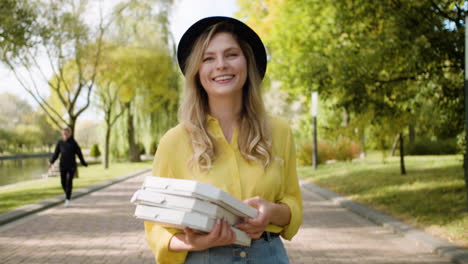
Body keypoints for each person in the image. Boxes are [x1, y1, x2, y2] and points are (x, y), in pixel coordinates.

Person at [145, 16, 302, 264]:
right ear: (197, 71)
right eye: (208, 58)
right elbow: (156, 224)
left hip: (267, 256)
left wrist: (270, 211)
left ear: (247, 63)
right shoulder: (173, 141)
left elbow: (292, 202)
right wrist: (193, 242)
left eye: (231, 54)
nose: (221, 65)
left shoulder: (279, 131)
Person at [49, 127, 88, 207]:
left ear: (70, 134)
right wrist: (51, 161)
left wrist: (83, 163)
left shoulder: (74, 143)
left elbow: (79, 154)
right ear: (62, 134)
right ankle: (67, 193)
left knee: (69, 182)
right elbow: (56, 153)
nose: (65, 135)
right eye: (64, 134)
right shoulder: (60, 143)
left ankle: (67, 199)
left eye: (67, 133)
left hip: (71, 166)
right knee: (63, 182)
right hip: (63, 165)